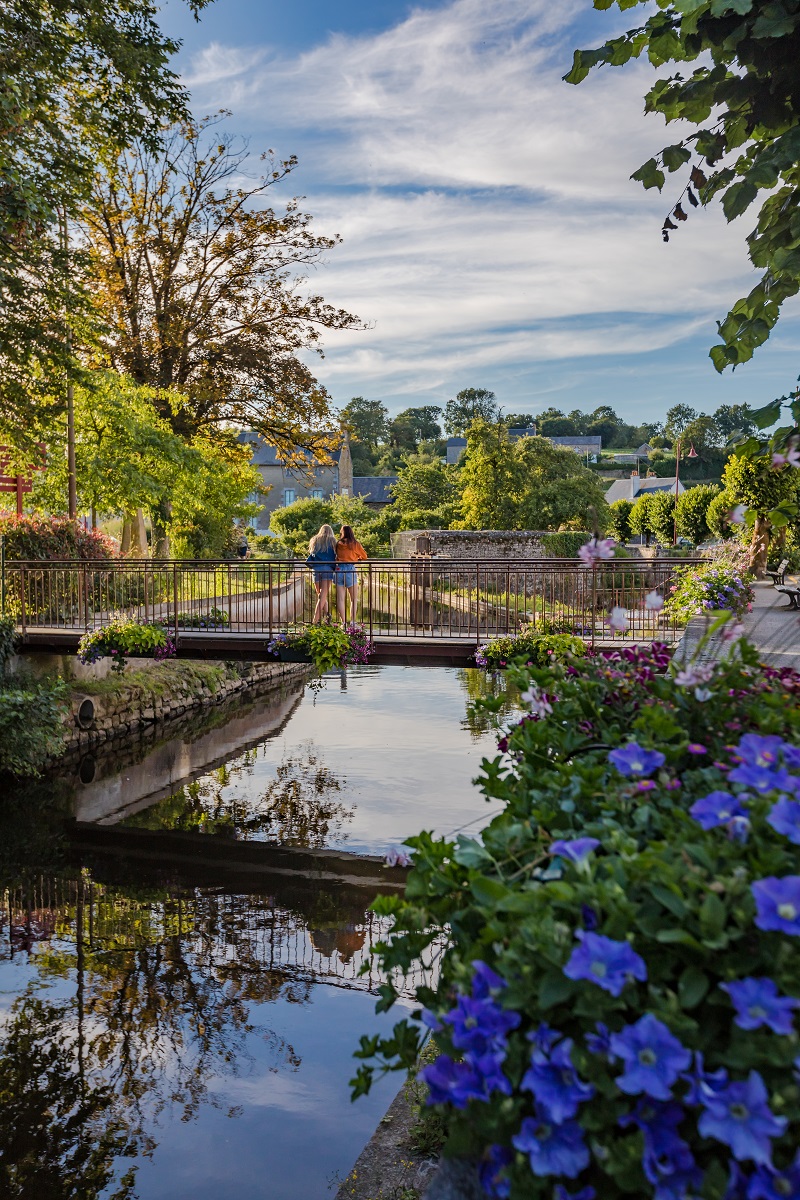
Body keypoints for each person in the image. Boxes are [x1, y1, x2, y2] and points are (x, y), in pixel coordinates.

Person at [335, 524, 367, 624]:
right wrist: (356, 559)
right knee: (353, 599)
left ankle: (343, 622)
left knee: (340, 599)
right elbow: (365, 556)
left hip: (339, 569)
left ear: (342, 533)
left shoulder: (338, 543)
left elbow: (336, 556)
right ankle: (352, 621)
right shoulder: (355, 544)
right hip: (350, 569)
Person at [307, 524, 337, 623]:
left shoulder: (314, 540)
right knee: (323, 596)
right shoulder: (332, 540)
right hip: (327, 570)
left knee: (320, 595)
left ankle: (327, 616)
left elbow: (312, 554)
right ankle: (315, 621)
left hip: (316, 569)